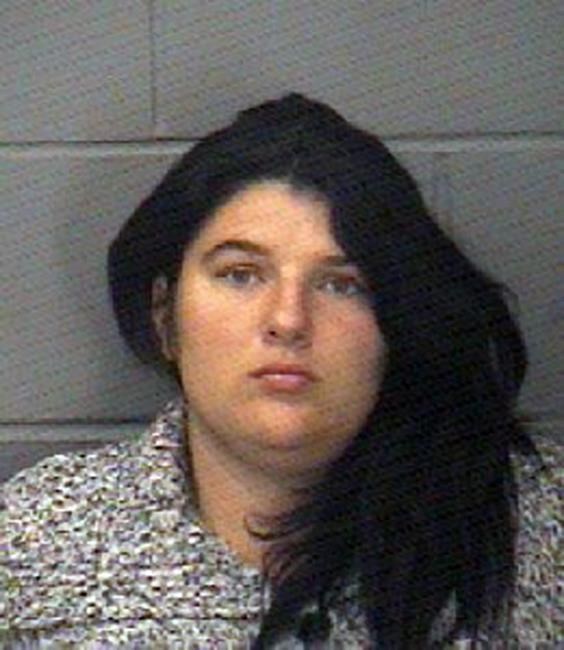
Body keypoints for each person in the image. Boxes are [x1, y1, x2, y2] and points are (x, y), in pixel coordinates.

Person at [1, 94, 561, 649]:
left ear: (396, 323)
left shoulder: (536, 520)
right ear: (165, 316)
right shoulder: (35, 541)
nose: (288, 320)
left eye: (341, 284)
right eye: (240, 274)